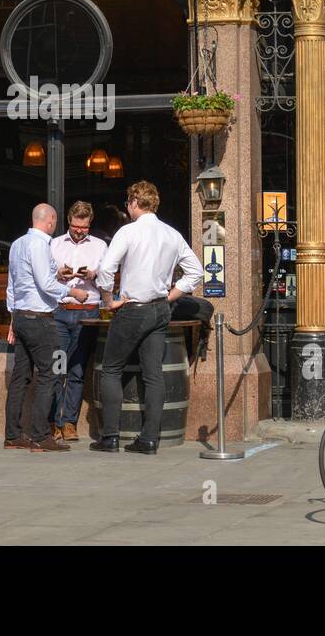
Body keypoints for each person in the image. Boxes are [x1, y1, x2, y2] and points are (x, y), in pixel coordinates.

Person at [92, 181, 203, 455]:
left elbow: (106, 269)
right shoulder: (172, 234)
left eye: (127, 202)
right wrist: (169, 296)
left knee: (111, 370)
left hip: (132, 309)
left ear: (133, 202)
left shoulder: (127, 232)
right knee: (153, 375)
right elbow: (196, 272)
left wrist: (108, 301)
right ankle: (150, 439)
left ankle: (110, 437)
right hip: (159, 308)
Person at [4, 204, 88, 453]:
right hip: (40, 319)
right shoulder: (41, 245)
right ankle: (40, 436)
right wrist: (73, 291)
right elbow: (45, 284)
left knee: (20, 377)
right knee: (50, 374)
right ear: (50, 220)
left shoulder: (18, 244)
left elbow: (13, 285)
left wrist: (12, 319)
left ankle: (12, 435)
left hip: (21, 316)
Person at [48, 201, 106, 441]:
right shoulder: (54, 244)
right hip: (60, 313)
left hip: (87, 314)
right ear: (69, 221)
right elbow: (44, 276)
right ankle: (54, 422)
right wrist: (57, 274)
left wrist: (93, 275)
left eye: (84, 227)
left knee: (77, 369)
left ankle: (70, 423)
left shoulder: (101, 245)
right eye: (75, 226)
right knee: (57, 368)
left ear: (89, 224)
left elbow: (108, 277)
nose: (79, 231)